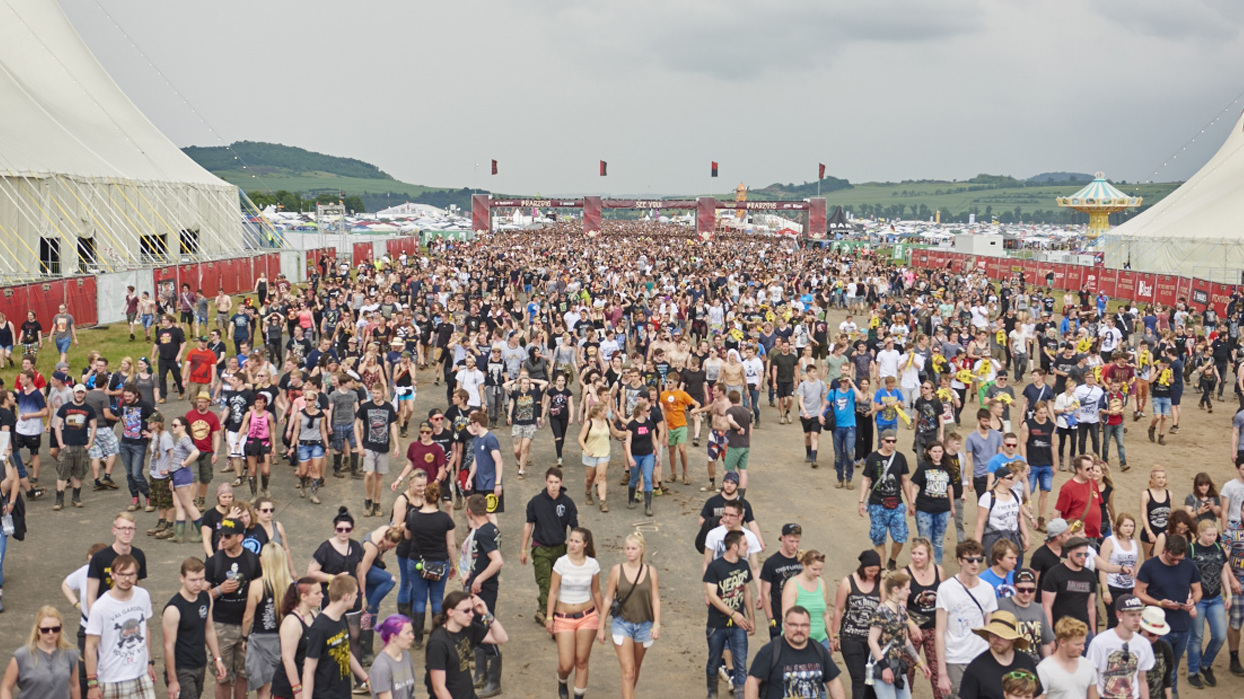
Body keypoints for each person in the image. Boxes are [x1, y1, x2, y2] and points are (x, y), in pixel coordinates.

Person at [1135, 533, 1203, 696]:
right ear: (1165, 550)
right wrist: (1159, 603)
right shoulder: (1150, 566)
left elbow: (1198, 591)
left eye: (1180, 559)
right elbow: (1138, 592)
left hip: (1182, 626)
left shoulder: (1189, 565)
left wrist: (1193, 602)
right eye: (1173, 558)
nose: (1177, 562)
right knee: (1158, 666)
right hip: (1156, 627)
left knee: (1172, 665)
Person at [84, 554, 157, 699]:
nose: (127, 579)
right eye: (122, 574)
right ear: (112, 575)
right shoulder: (100, 607)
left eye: (131, 574)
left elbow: (145, 629)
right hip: (112, 679)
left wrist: (149, 662)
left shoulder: (143, 596)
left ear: (137, 575)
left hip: (140, 675)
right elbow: (90, 646)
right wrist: (92, 684)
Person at [599, 531, 661, 699]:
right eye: (627, 548)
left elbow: (655, 599)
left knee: (635, 669)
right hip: (622, 623)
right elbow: (607, 599)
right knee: (627, 672)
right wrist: (601, 626)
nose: (629, 552)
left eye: (633, 548)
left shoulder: (651, 571)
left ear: (642, 550)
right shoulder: (617, 571)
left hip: (644, 624)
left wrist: (656, 623)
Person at [206, 518, 262, 699]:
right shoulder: (214, 561)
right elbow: (200, 596)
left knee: (243, 675)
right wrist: (218, 590)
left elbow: (261, 589)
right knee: (222, 676)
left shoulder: (253, 560)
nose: (222, 539)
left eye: (227, 536)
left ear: (240, 537)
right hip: (221, 626)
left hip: (248, 627)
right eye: (221, 535)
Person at [545, 527, 604, 699]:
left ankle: (579, 696)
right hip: (564, 617)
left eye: (577, 541)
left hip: (587, 616)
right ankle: (562, 679)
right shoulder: (561, 563)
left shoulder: (592, 564)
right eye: (571, 540)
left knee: (581, 660)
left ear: (585, 544)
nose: (572, 544)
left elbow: (597, 592)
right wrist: (550, 617)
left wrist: (602, 618)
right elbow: (553, 591)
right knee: (566, 664)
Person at [935, 539, 997, 699]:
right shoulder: (946, 588)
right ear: (960, 561)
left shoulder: (988, 589)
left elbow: (988, 628)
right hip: (955, 659)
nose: (975, 564)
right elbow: (940, 632)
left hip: (981, 658)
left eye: (979, 559)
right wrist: (942, 673)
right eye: (970, 559)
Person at [745, 605, 846, 699]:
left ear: (809, 627)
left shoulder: (819, 650)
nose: (799, 629)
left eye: (804, 625)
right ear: (785, 626)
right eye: (794, 625)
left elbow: (834, 683)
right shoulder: (771, 651)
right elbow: (752, 681)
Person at [424, 590, 508, 699]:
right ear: (450, 612)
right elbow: (439, 688)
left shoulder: (468, 628)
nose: (472, 614)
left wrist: (486, 614)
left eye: (472, 610)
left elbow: (501, 638)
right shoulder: (438, 643)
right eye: (466, 611)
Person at [521, 467, 578, 625]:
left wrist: (577, 550)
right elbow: (528, 525)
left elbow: (574, 527)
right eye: (550, 482)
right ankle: (550, 616)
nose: (553, 485)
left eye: (556, 482)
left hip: (560, 548)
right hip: (540, 549)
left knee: (557, 583)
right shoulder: (535, 502)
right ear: (545, 482)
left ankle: (543, 608)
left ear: (561, 483)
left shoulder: (567, 503)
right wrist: (523, 549)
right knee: (545, 582)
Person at [163, 557, 227, 699]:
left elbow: (209, 629)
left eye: (201, 579)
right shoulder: (173, 609)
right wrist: (173, 680)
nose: (198, 584)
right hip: (182, 669)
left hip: (200, 663)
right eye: (193, 580)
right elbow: (168, 646)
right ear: (182, 578)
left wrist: (218, 659)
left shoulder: (206, 598)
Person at [402, 479, 454, 648]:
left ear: (424, 497)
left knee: (419, 599)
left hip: (417, 561)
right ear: (438, 498)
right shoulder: (445, 519)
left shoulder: (413, 517)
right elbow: (451, 545)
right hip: (439, 562)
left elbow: (408, 537)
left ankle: (417, 639)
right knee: (437, 599)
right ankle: (437, 636)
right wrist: (454, 564)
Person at [704, 530, 754, 699]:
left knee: (741, 665)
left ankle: (741, 696)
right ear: (734, 546)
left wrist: (751, 618)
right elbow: (712, 596)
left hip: (738, 625)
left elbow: (747, 592)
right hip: (717, 624)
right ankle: (712, 694)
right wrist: (734, 614)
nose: (747, 547)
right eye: (745, 544)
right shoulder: (715, 567)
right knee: (713, 662)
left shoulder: (744, 565)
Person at [301, 574, 369, 699]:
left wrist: (366, 678)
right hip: (324, 694)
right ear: (346, 596)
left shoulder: (341, 617)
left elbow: (345, 652)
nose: (357, 597)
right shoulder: (319, 628)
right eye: (355, 594)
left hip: (342, 692)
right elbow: (309, 669)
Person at [463, 494, 504, 697]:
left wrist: (478, 579)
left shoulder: (483, 533)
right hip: (479, 585)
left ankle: (494, 681)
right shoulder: (489, 528)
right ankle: (480, 674)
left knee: (485, 626)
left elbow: (497, 561)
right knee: (477, 627)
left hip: (484, 589)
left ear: (469, 511)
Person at [242, 544, 293, 699]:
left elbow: (248, 616)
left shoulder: (257, 585)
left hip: (260, 640)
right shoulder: (290, 584)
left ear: (264, 561)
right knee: (281, 687)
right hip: (283, 640)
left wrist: (244, 637)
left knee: (263, 690)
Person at [867, 572, 929, 699]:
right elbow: (872, 641)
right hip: (883, 665)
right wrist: (884, 667)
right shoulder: (881, 612)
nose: (909, 592)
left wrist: (920, 662)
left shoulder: (901, 610)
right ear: (896, 590)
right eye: (906, 588)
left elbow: (905, 640)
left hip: (898, 665)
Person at [1185, 520, 1230, 689]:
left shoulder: (1218, 548)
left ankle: (1206, 664)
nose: (1212, 538)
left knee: (1219, 636)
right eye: (1209, 535)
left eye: (1214, 535)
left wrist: (1228, 594)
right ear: (1200, 533)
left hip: (1216, 597)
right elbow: (1186, 574)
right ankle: (1193, 671)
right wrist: (1190, 598)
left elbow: (1223, 571)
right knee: (1196, 637)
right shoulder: (1191, 549)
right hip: (1198, 599)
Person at [0, 606, 80, 699]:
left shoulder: (70, 654)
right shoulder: (21, 656)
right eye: (45, 630)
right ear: (37, 630)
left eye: (55, 629)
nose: (51, 633)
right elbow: (6, 688)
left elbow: (74, 686)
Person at [958, 610, 1042, 699]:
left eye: (1001, 635)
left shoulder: (1026, 661)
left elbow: (1038, 695)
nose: (996, 639)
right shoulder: (976, 667)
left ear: (1013, 639)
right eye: (992, 634)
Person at [833, 550, 883, 699]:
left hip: (873, 640)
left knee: (873, 679)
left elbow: (884, 611)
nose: (873, 573)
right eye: (870, 570)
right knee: (859, 678)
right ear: (862, 567)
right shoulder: (848, 582)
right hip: (851, 637)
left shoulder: (880, 584)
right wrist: (834, 635)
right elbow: (838, 609)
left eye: (876, 570)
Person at [858, 429, 910, 571]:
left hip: (896, 503)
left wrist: (911, 502)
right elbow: (866, 480)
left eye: (894, 441)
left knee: (900, 537)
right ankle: (882, 569)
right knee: (879, 538)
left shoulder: (900, 458)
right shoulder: (873, 458)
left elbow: (905, 481)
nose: (891, 444)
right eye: (888, 441)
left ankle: (892, 560)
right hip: (877, 504)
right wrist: (861, 501)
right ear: (882, 441)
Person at [1088, 594, 1155, 699]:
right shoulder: (1099, 642)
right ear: (1119, 615)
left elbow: (1142, 679)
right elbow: (1091, 679)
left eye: (1139, 614)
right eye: (1132, 615)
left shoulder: (1144, 644)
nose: (1137, 619)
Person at [356, 525, 404, 665]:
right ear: (384, 538)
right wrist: (363, 597)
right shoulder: (372, 548)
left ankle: (366, 654)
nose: (390, 549)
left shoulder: (386, 530)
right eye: (390, 546)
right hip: (362, 571)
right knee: (390, 580)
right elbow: (362, 573)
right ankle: (370, 607)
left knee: (369, 616)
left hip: (371, 568)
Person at [270, 578, 320, 699]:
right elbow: (288, 659)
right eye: (317, 593)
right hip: (288, 688)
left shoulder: (313, 615)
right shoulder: (291, 622)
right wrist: (297, 690)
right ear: (303, 597)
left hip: (308, 682)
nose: (322, 596)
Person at [908, 441, 956, 565]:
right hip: (924, 509)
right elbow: (915, 486)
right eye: (934, 451)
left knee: (939, 540)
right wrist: (912, 503)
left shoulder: (947, 467)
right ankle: (923, 565)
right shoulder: (923, 467)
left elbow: (950, 488)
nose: (937, 454)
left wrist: (952, 506)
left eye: (940, 451)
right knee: (924, 541)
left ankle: (936, 568)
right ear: (929, 452)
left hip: (943, 510)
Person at [1042, 535, 1099, 633]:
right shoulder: (1054, 573)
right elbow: (1047, 606)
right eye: (1078, 554)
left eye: (1085, 555)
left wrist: (1093, 633)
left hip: (1084, 629)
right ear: (1068, 553)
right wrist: (1050, 635)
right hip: (1062, 630)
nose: (1082, 558)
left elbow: (1091, 607)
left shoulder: (1090, 576)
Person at [975, 466, 1027, 569]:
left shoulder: (1015, 495)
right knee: (997, 570)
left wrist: (1027, 537)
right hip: (996, 540)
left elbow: (1021, 519)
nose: (1013, 480)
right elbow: (980, 523)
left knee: (1015, 569)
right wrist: (977, 546)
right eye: (1009, 478)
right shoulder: (987, 498)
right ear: (1001, 480)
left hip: (1014, 538)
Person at [760, 523, 804, 640]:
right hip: (779, 619)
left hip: (801, 618)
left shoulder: (803, 561)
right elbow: (765, 593)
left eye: (797, 541)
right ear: (782, 538)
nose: (794, 545)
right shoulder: (771, 563)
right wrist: (771, 620)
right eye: (791, 541)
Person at [1036, 617, 1098, 699]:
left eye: (1083, 643)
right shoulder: (1044, 669)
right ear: (1062, 642)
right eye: (1077, 644)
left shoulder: (1088, 665)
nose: (1082, 648)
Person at [780, 550, 832, 648]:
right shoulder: (792, 585)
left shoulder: (821, 583)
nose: (818, 573)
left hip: (821, 640)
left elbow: (825, 614)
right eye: (814, 569)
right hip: (798, 641)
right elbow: (786, 616)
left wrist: (832, 638)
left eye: (820, 570)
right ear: (804, 565)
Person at [1099, 513, 1140, 629]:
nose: (1129, 528)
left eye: (1131, 526)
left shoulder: (1134, 542)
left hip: (1129, 587)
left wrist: (1137, 586)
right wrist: (1105, 590)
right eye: (1125, 525)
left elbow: (1136, 565)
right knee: (1114, 621)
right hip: (1113, 586)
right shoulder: (1109, 542)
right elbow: (1103, 567)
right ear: (1118, 527)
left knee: (1128, 621)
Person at [1054, 454, 1104, 539]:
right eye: (1088, 469)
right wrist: (1054, 535)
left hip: (1093, 535)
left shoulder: (1093, 483)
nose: (1091, 471)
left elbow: (1097, 505)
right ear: (1079, 470)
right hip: (1076, 535)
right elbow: (1057, 512)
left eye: (1092, 468)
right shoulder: (1068, 488)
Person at [622, 399, 658, 516]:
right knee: (634, 478)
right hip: (635, 455)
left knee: (647, 478)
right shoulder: (632, 425)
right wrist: (630, 458)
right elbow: (628, 442)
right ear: (641, 411)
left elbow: (654, 440)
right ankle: (630, 499)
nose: (649, 412)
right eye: (647, 410)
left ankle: (648, 506)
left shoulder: (650, 424)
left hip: (647, 454)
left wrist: (656, 453)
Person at [369, 614, 417, 699]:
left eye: (411, 632)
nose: (412, 637)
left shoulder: (406, 655)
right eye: (407, 633)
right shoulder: (381, 667)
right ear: (393, 637)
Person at [1139, 605, 1175, 699]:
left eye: (1159, 634)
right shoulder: (1132, 646)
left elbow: (1167, 679)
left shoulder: (1165, 647)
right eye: (1152, 634)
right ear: (1142, 628)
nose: (1155, 637)